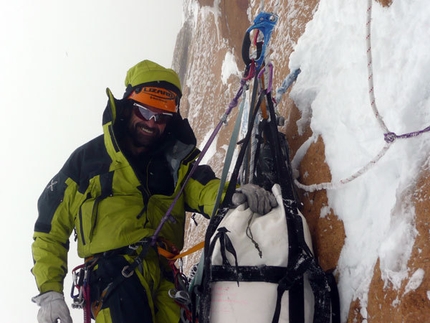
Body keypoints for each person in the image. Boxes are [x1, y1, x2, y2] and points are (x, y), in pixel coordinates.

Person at [31, 59, 277, 323]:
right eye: (145, 112)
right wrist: (49, 291)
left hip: (165, 276)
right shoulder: (87, 162)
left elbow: (203, 188)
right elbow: (49, 229)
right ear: (127, 107)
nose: (151, 123)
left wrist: (233, 195)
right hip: (114, 274)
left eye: (161, 117)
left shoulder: (176, 161)